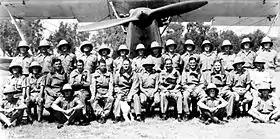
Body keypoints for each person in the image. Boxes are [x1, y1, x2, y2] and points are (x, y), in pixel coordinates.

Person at [113, 58, 140, 122]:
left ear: (130, 65)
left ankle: (138, 115)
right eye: (124, 64)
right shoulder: (118, 73)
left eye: (127, 64)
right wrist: (118, 91)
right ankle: (117, 116)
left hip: (131, 90)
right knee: (118, 99)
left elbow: (135, 85)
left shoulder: (134, 74)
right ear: (122, 65)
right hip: (121, 90)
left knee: (136, 97)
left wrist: (130, 95)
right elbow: (115, 84)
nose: (126, 66)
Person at [0, 62, 26, 127]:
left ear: (19, 69)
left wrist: (22, 97)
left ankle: (9, 122)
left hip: (19, 95)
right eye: (13, 68)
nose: (15, 69)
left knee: (20, 107)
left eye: (16, 68)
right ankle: (8, 123)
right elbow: (5, 88)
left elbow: (24, 89)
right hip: (9, 93)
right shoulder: (9, 78)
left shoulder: (22, 78)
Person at [90, 59, 114, 124]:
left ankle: (104, 115)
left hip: (106, 92)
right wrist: (93, 95)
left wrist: (110, 94)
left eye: (104, 65)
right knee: (93, 100)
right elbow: (93, 86)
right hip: (98, 92)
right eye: (101, 65)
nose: (103, 67)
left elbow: (111, 85)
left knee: (111, 99)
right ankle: (99, 114)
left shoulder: (109, 74)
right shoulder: (94, 75)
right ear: (99, 66)